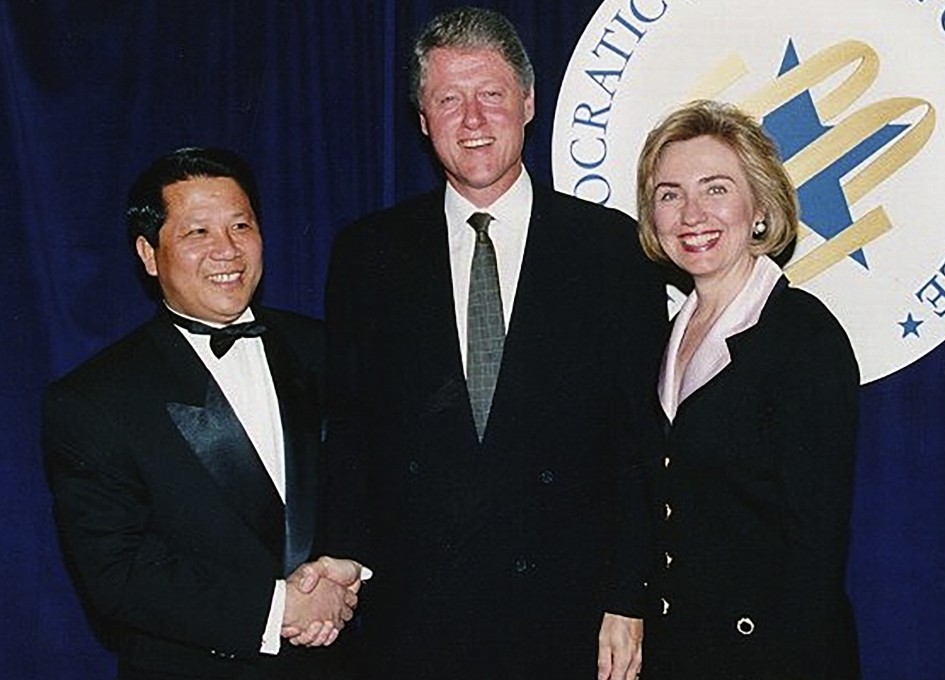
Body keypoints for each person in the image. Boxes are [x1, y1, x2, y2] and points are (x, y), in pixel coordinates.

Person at [318, 6, 666, 680]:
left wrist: (629, 597)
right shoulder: (368, 254)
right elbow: (350, 431)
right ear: (423, 120)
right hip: (415, 621)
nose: (473, 119)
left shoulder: (612, 250)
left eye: (491, 94)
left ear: (528, 103)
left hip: (568, 617)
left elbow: (638, 445)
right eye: (449, 99)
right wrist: (339, 560)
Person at [42, 147, 367, 680]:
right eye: (198, 232)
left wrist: (347, 567)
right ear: (149, 254)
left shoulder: (323, 348)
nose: (227, 250)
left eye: (241, 226)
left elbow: (374, 482)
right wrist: (279, 609)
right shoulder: (92, 400)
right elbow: (116, 573)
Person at [634, 100, 860, 679]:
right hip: (674, 656)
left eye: (715, 189)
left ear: (759, 207)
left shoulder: (804, 337)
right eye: (670, 194)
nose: (691, 214)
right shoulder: (659, 339)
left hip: (774, 658)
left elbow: (815, 546)